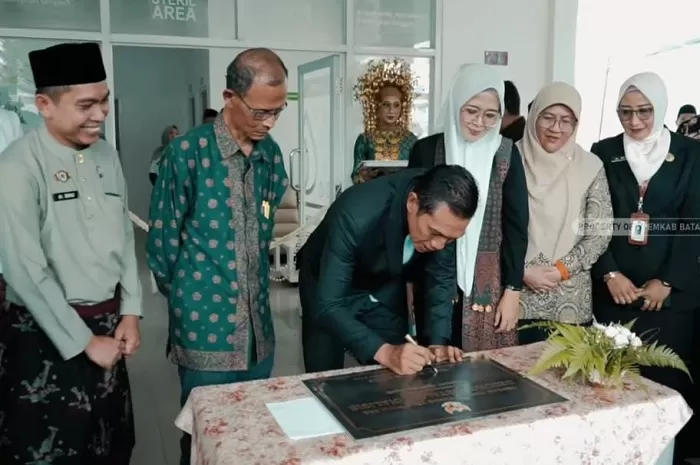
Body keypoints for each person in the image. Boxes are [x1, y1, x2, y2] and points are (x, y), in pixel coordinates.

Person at [0, 42, 142, 464]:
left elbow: (123, 235)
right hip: (42, 333)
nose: (100, 114)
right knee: (51, 452)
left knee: (112, 444)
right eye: (86, 105)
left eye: (104, 100)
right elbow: (24, 268)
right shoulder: (18, 166)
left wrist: (131, 311)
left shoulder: (107, 155)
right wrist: (84, 341)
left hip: (108, 326)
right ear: (45, 105)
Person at [146, 47, 289, 465]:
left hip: (259, 329)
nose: (270, 122)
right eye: (260, 112)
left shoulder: (270, 154)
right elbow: (162, 244)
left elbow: (268, 220)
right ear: (229, 97)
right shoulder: (187, 153)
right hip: (204, 327)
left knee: (252, 432)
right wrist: (190, 297)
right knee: (202, 434)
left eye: (278, 111)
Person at [591, 72, 700, 464]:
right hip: (614, 294)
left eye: (644, 111)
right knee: (613, 392)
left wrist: (668, 281)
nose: (634, 121)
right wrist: (609, 272)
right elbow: (593, 219)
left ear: (660, 108)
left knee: (666, 392)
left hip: (670, 299)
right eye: (625, 112)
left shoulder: (691, 153)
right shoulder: (603, 152)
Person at [299, 165, 477, 374]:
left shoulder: (444, 225)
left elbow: (439, 280)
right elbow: (329, 305)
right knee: (324, 373)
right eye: (434, 233)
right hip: (326, 282)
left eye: (450, 239)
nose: (439, 245)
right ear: (412, 203)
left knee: (404, 361)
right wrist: (386, 353)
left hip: (383, 281)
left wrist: (437, 344)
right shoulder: (356, 213)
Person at [408, 64, 528, 352]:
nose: (479, 122)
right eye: (471, 111)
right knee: (434, 360)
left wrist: (513, 291)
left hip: (489, 287)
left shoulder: (506, 154)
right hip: (432, 279)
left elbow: (516, 227)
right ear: (456, 103)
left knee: (486, 371)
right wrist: (408, 286)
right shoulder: (427, 150)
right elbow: (410, 219)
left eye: (490, 115)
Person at [517, 82, 613, 344]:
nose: (556, 128)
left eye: (566, 120)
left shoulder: (591, 166)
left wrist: (562, 269)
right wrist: (521, 270)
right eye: (548, 117)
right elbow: (491, 227)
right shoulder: (508, 160)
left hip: (570, 298)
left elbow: (599, 232)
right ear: (534, 116)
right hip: (515, 297)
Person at [351, 58, 418, 184]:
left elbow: (418, 174)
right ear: (377, 107)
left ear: (402, 108)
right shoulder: (364, 140)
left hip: (401, 193)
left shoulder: (410, 140)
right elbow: (355, 177)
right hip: (372, 192)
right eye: (386, 105)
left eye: (396, 105)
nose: (391, 111)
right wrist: (364, 176)